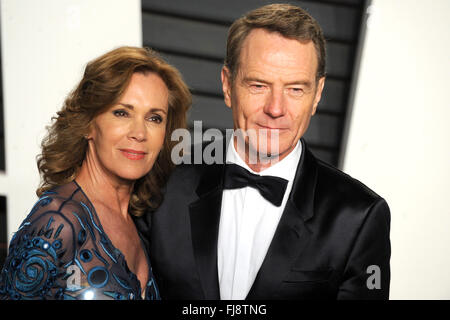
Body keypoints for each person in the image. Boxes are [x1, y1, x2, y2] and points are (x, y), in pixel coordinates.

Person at [142, 4, 391, 299]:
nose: (276, 109)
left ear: (317, 95)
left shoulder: (358, 217)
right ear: (227, 85)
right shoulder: (164, 182)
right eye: (258, 85)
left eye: (295, 89)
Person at [0, 46, 191, 300]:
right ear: (88, 124)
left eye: (154, 118)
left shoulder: (141, 225)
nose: (139, 133)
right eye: (122, 113)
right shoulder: (56, 221)